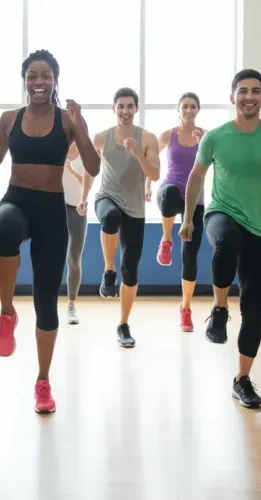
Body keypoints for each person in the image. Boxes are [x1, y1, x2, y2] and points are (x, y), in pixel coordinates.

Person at [0, 49, 100, 415]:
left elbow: (94, 167)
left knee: (46, 302)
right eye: (32, 76)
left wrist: (80, 124)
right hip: (17, 199)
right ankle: (6, 314)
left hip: (52, 210)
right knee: (3, 228)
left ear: (55, 80)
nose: (39, 82)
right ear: (24, 80)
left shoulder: (67, 121)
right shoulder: (9, 118)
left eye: (46, 76)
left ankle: (43, 380)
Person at [179, 69, 261, 409]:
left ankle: (242, 379)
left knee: (254, 310)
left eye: (256, 91)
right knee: (226, 241)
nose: (249, 96)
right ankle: (219, 308)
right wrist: (189, 218)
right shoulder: (216, 137)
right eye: (243, 90)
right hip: (221, 213)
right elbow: (195, 176)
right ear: (232, 96)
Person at [79, 87, 159, 347]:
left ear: (136, 109)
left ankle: (123, 324)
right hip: (107, 197)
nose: (125, 111)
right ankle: (108, 270)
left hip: (135, 207)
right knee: (110, 218)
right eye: (120, 106)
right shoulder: (101, 138)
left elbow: (155, 175)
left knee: (132, 270)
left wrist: (137, 153)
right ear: (113, 109)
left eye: (130, 106)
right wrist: (83, 197)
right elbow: (91, 170)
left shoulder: (147, 138)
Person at [146, 92, 206, 332]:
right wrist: (148, 185)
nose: (188, 110)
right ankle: (166, 238)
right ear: (178, 110)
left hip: (196, 200)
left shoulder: (205, 136)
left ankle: (186, 308)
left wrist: (203, 143)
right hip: (170, 191)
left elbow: (216, 164)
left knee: (190, 256)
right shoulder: (167, 135)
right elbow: (150, 160)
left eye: (193, 107)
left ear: (197, 110)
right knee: (169, 195)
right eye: (185, 106)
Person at [62, 142, 87, 325]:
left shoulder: (85, 153)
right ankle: (46, 303)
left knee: (74, 258)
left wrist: (71, 170)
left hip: (77, 208)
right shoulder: (55, 147)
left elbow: (88, 182)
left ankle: (71, 305)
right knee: (52, 256)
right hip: (55, 206)